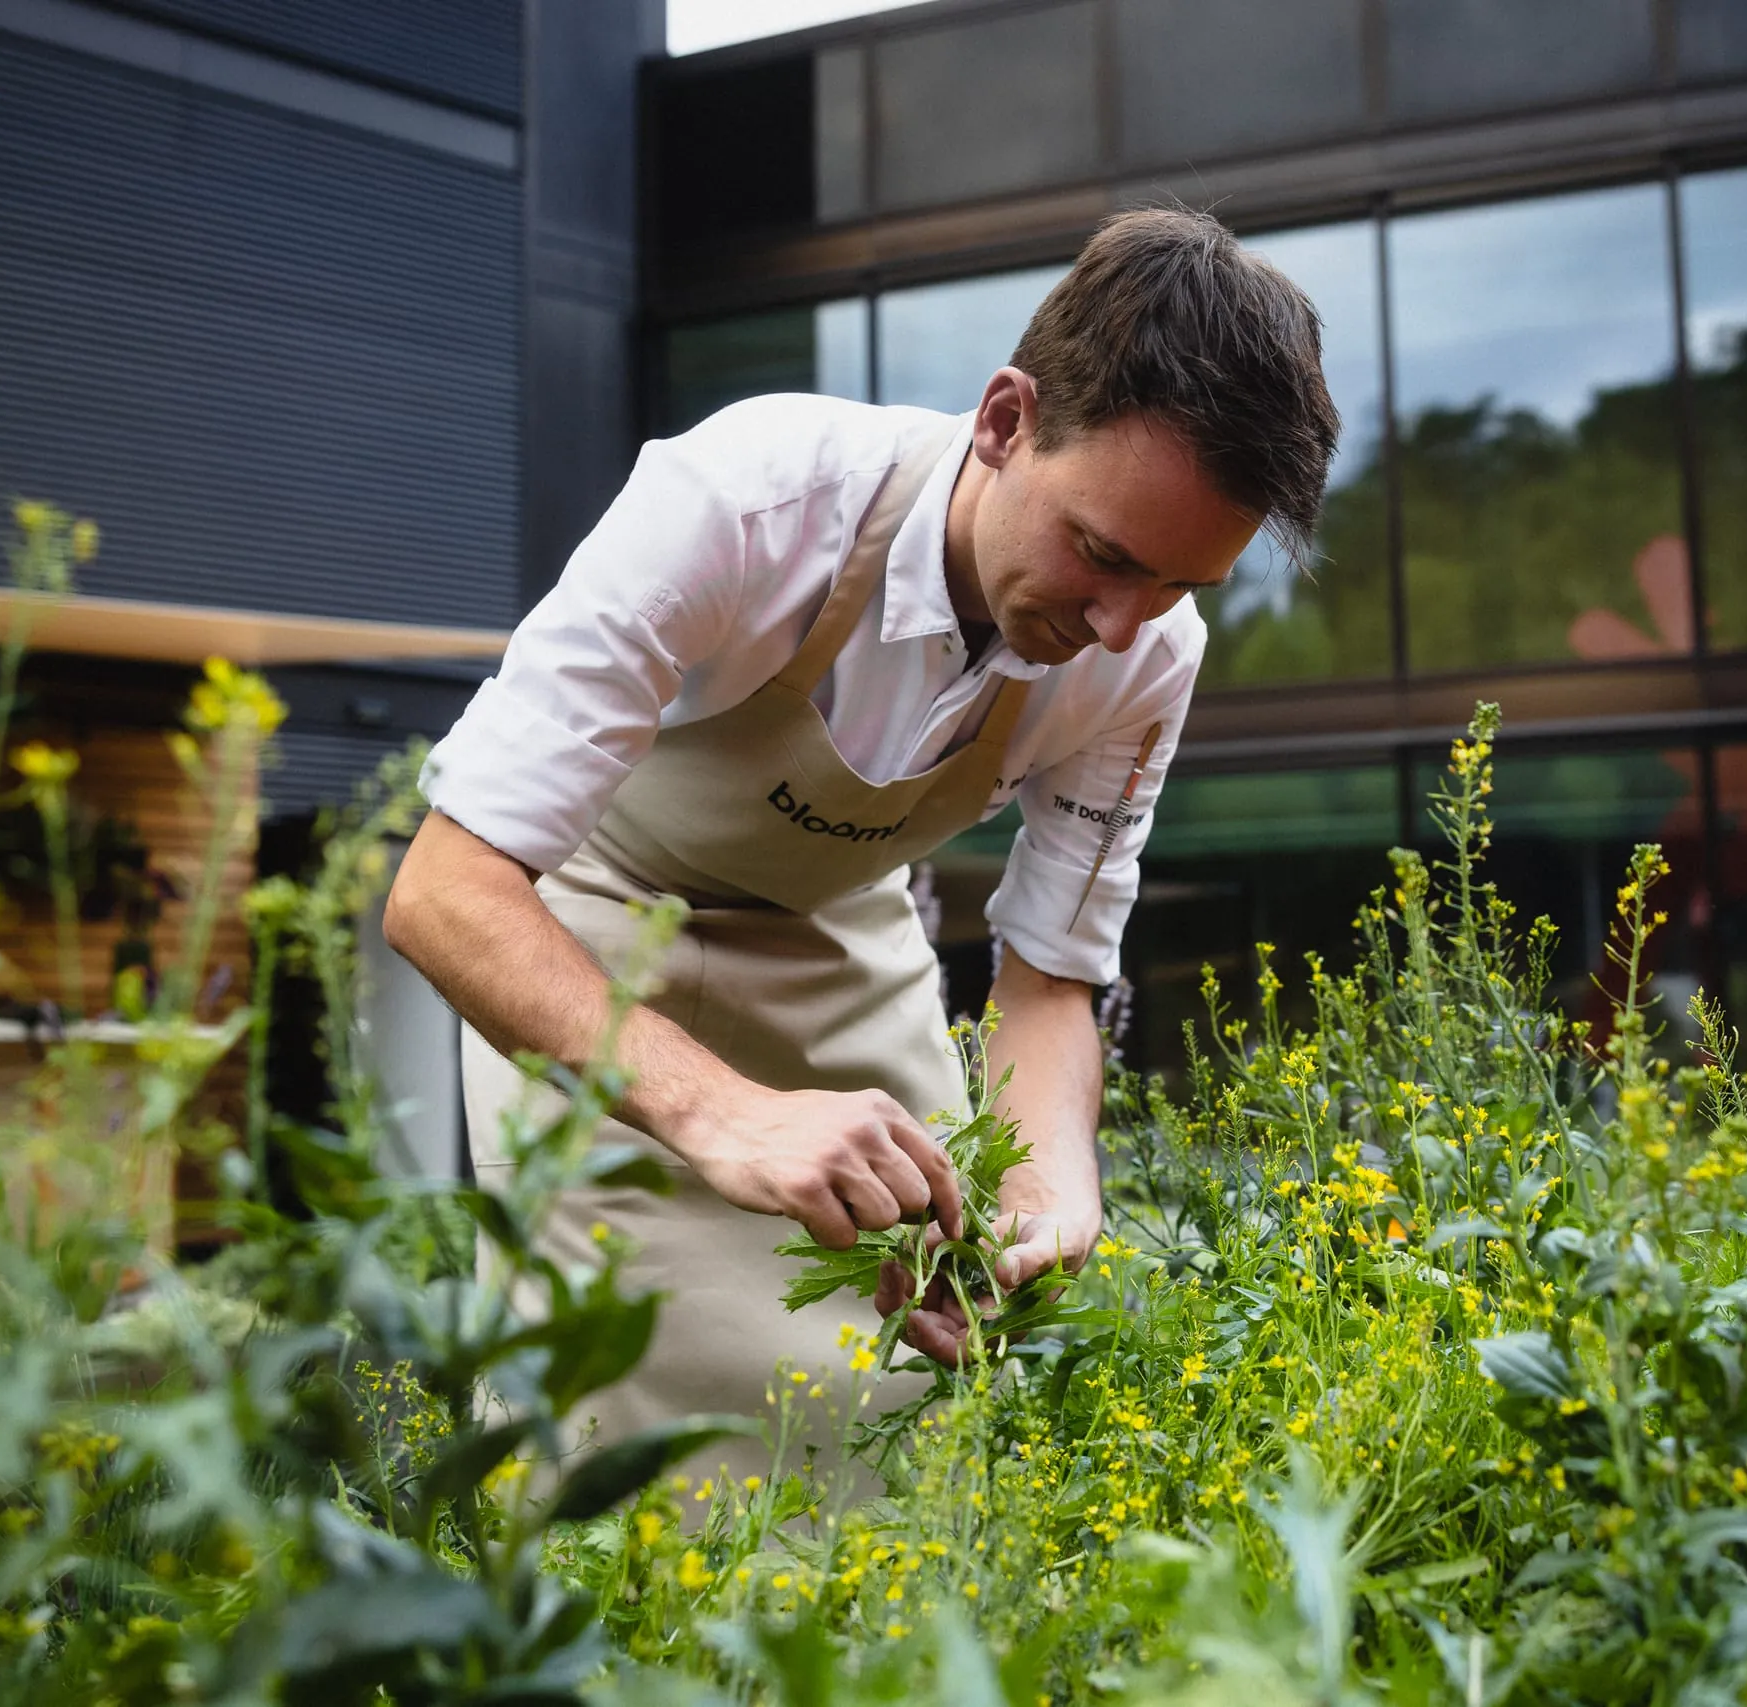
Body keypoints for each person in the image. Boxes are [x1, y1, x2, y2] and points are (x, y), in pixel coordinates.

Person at [384, 206, 1337, 1463]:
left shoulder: (1144, 656)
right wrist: (725, 1113)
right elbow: (446, 893)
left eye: (1176, 585)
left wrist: (1049, 1181)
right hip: (585, 933)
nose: (1123, 625)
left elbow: (1049, 980)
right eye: (1100, 554)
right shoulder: (743, 502)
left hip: (844, 943)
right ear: (1004, 421)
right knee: (602, 1430)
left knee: (911, 1406)